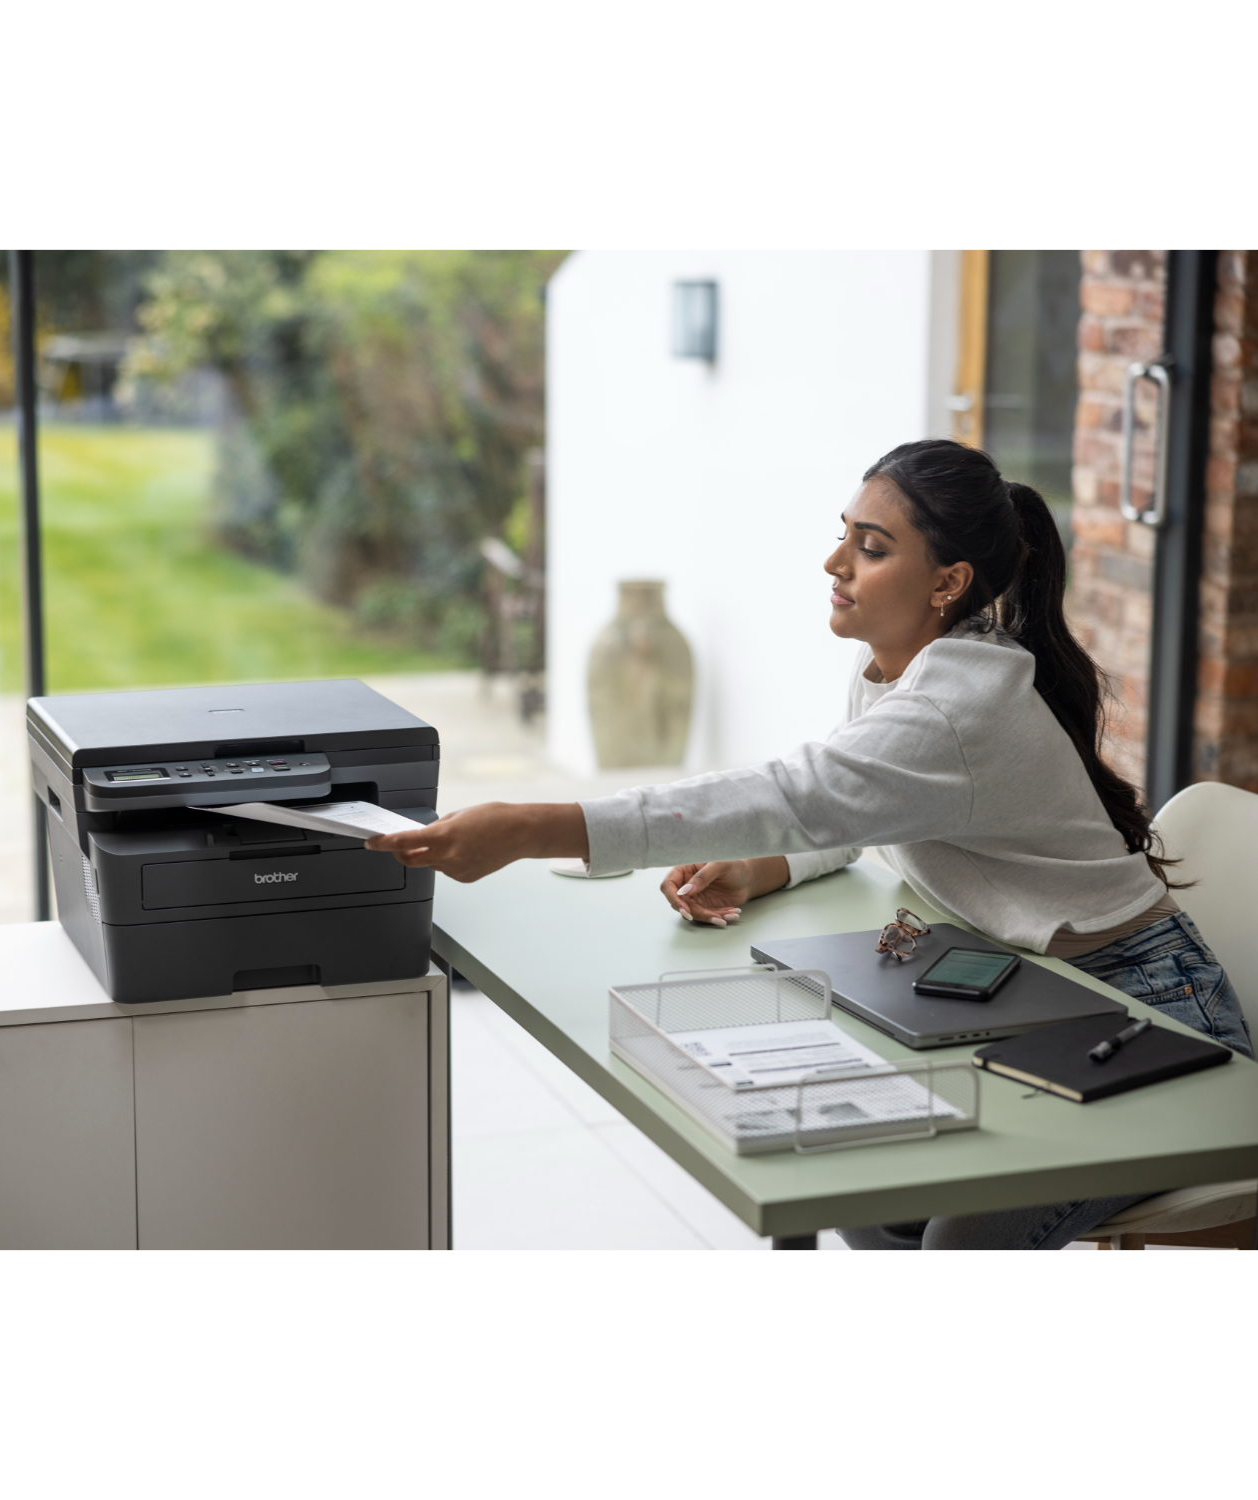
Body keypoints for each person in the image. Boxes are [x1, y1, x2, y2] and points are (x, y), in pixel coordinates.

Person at [367, 439, 1254, 1251]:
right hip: (1032, 994)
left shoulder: (955, 704)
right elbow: (855, 811)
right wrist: (770, 865)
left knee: (949, 1235)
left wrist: (532, 827)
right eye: (845, 536)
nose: (835, 562)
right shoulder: (906, 670)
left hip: (1148, 1017)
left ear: (947, 582)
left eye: (871, 547)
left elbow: (797, 794)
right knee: (855, 1173)